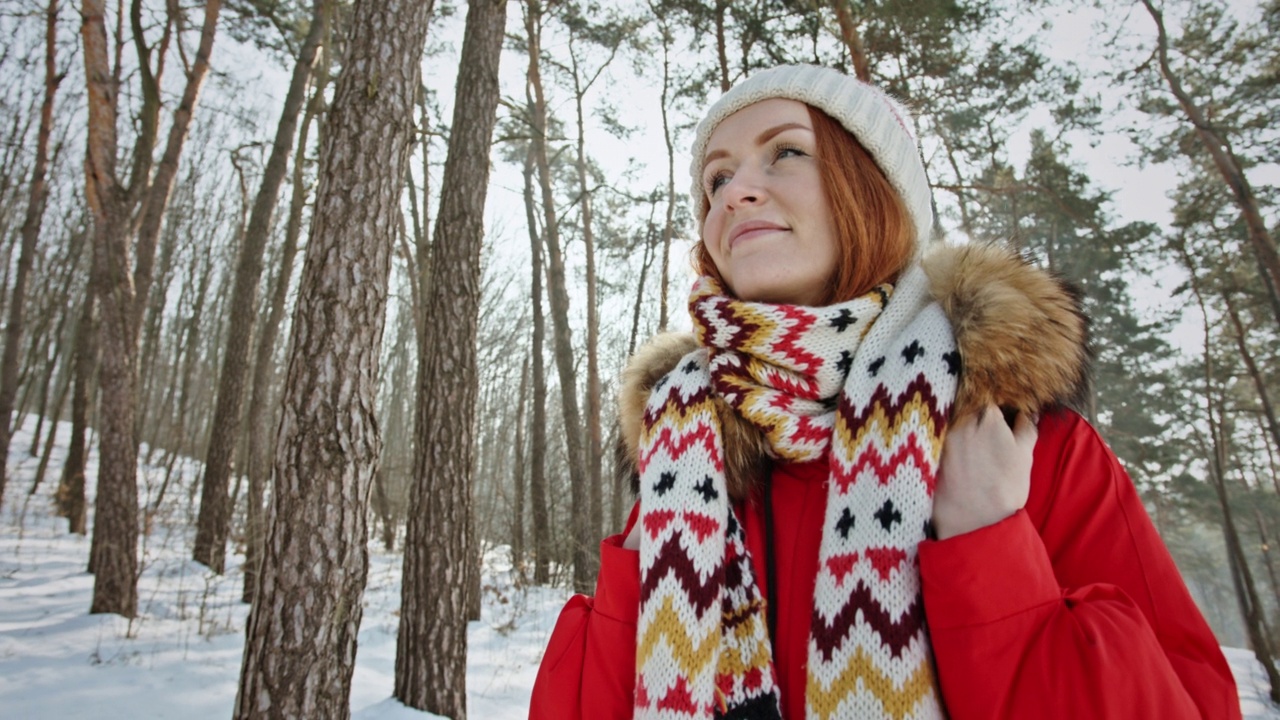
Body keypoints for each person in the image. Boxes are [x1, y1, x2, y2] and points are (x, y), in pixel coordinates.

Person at [529, 64, 1240, 720]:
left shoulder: (1014, 434)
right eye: (716, 179)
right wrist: (650, 553)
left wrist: (990, 545)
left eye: (786, 152)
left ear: (876, 191)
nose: (735, 192)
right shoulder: (684, 453)